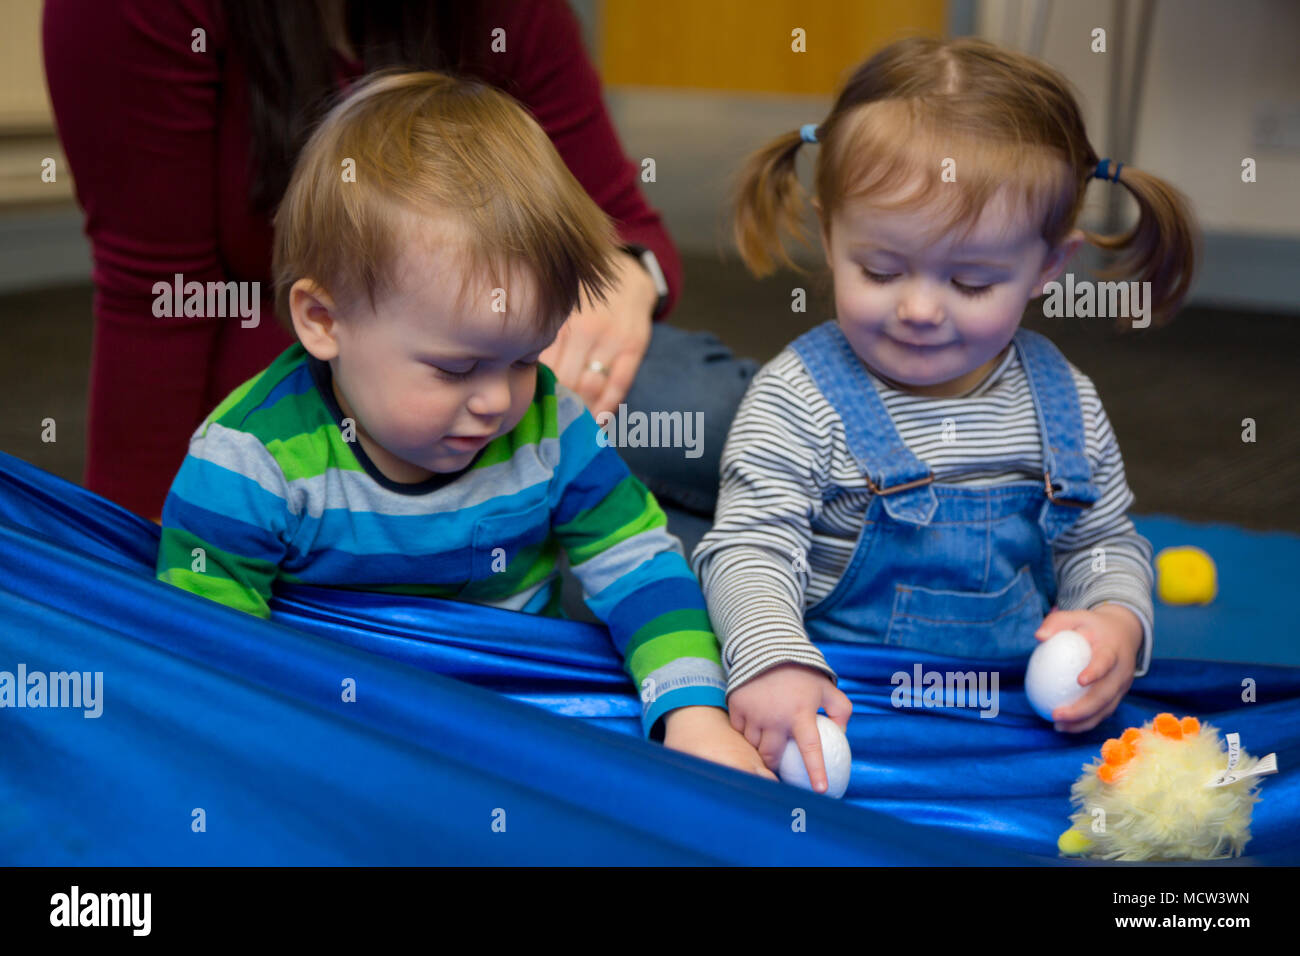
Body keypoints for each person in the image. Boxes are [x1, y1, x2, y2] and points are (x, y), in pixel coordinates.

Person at [154, 70, 774, 781]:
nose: (496, 402)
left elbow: (635, 558)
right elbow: (207, 658)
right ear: (324, 321)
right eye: (455, 369)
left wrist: (692, 712)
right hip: (338, 725)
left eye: (523, 359)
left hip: (515, 717)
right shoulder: (249, 464)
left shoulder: (549, 422)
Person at [693, 36, 1199, 793]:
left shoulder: (1065, 401)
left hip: (1010, 727)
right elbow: (750, 549)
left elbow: (1101, 540)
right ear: (831, 234)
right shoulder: (796, 398)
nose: (920, 309)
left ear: (1047, 269)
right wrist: (775, 661)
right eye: (880, 269)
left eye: (971, 281)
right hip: (843, 711)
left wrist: (1115, 619)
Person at [43, 0, 754, 534]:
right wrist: (125, 566)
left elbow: (624, 222)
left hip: (525, 354)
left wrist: (626, 276)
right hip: (316, 415)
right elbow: (154, 304)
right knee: (644, 571)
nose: (495, 401)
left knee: (734, 433)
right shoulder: (122, 15)